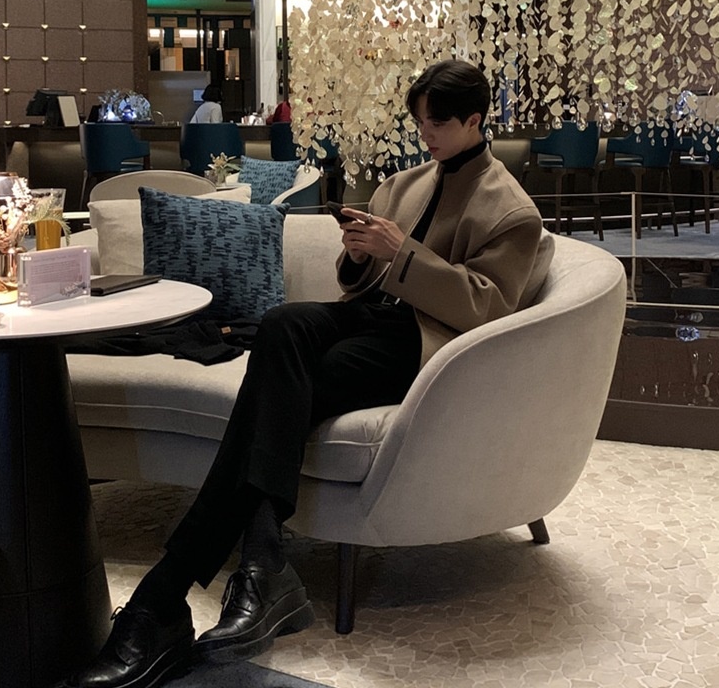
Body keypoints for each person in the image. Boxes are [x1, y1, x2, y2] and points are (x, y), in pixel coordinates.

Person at [55, 59, 546, 688]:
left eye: (439, 123)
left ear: (475, 120)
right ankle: (262, 565)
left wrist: (402, 252)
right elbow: (359, 282)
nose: (426, 133)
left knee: (285, 389)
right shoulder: (404, 184)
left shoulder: (511, 211)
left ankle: (164, 597)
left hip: (426, 346)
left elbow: (488, 309)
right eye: (420, 120)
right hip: (372, 319)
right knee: (284, 324)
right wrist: (360, 255)